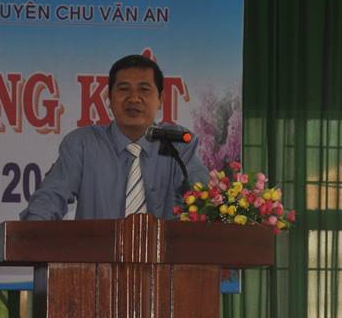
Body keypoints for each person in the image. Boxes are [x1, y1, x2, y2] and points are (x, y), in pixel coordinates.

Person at [20, 54, 208, 221]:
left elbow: (204, 198)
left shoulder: (178, 144)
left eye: (144, 89)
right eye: (124, 89)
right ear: (109, 97)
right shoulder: (83, 144)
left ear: (160, 99)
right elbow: (51, 197)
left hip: (163, 251)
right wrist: (30, 234)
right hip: (98, 251)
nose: (133, 98)